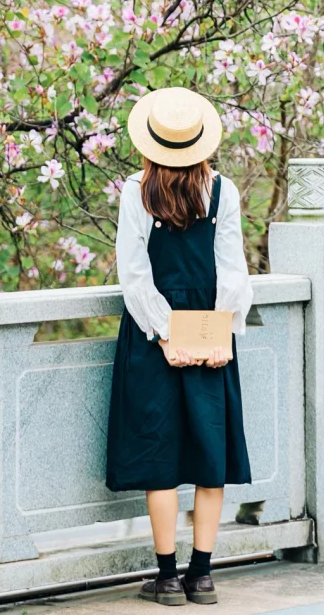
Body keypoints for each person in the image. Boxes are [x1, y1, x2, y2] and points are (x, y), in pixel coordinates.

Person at [106, 86, 253, 606]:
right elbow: (233, 270)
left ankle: (167, 577)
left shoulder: (136, 191)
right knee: (210, 453)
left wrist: (165, 331)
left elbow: (135, 272)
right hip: (210, 326)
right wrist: (221, 330)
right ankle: (204, 575)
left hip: (152, 336)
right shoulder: (223, 192)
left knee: (160, 454)